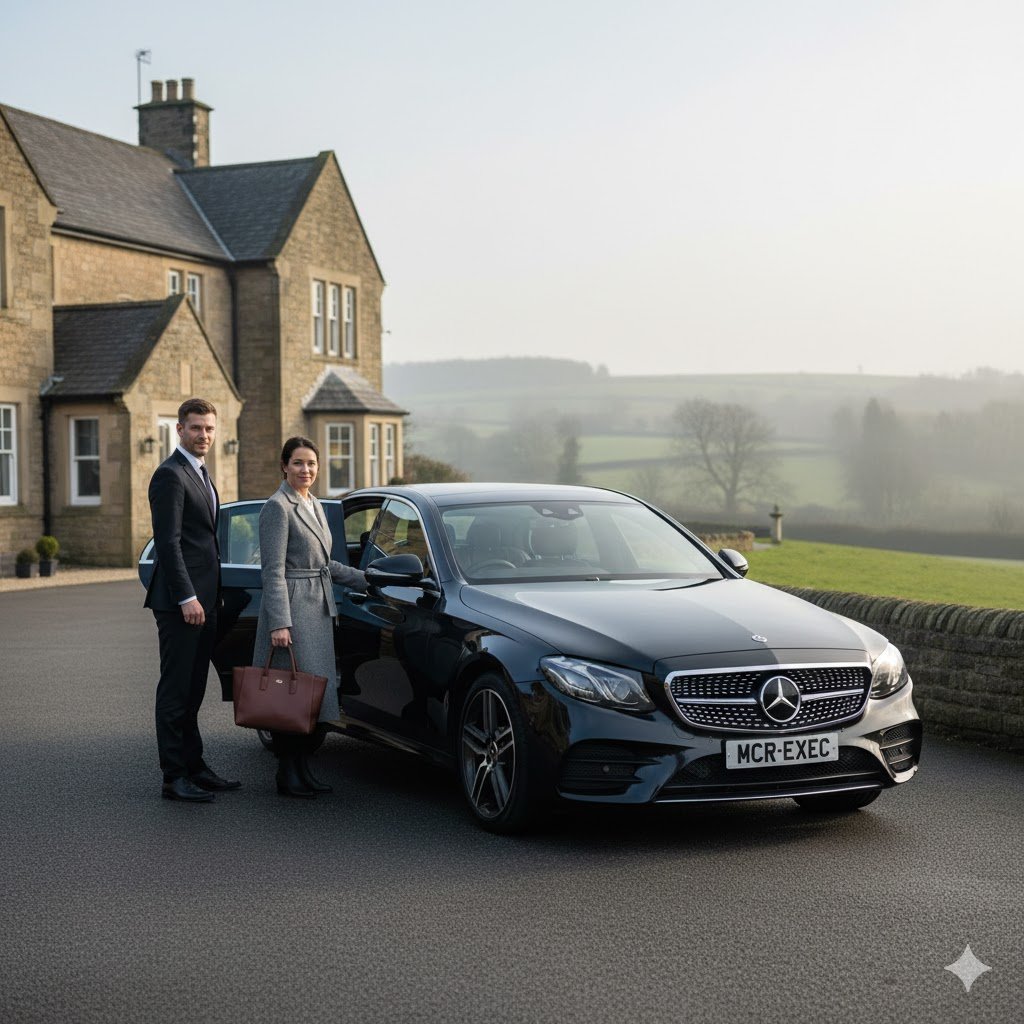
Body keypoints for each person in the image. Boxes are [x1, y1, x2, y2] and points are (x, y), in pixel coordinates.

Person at [252, 436, 368, 798]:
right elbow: (271, 571)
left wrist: (367, 579)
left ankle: (302, 769)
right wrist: (279, 623)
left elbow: (324, 563)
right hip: (293, 608)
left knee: (309, 697)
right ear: (284, 466)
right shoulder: (277, 507)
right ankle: (287, 774)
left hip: (316, 607)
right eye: (299, 463)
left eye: (312, 464)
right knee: (290, 695)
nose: (306, 470)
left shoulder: (315, 504)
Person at [144, 398, 241, 802]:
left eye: (210, 429)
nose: (204, 435)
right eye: (197, 428)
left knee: (195, 689)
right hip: (181, 604)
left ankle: (195, 766)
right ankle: (174, 776)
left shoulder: (200, 473)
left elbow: (203, 541)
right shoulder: (170, 475)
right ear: (180, 429)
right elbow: (168, 544)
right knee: (176, 691)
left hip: (205, 602)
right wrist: (187, 596)